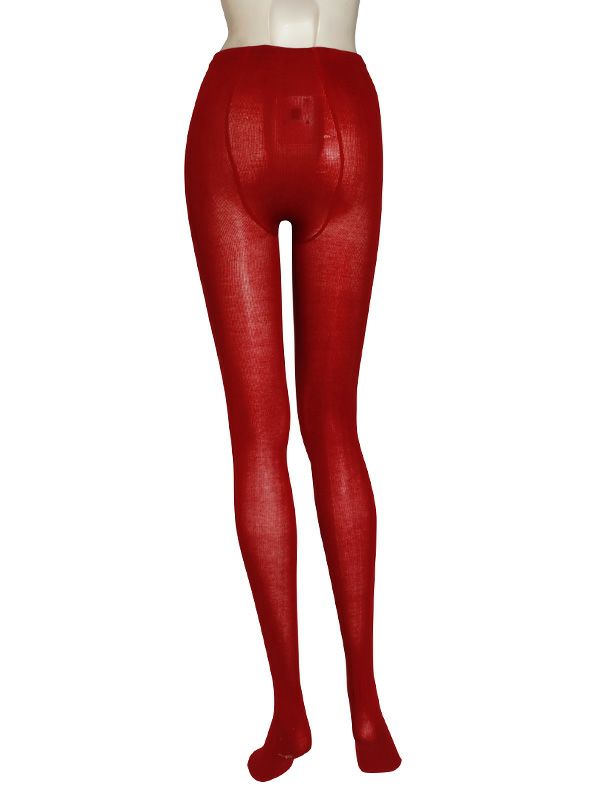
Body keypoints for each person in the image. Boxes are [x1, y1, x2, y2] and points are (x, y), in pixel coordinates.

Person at [184, 0, 401, 781]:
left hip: (235, 112)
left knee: (257, 437)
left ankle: (290, 712)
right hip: (342, 104)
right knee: (334, 427)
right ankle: (366, 711)